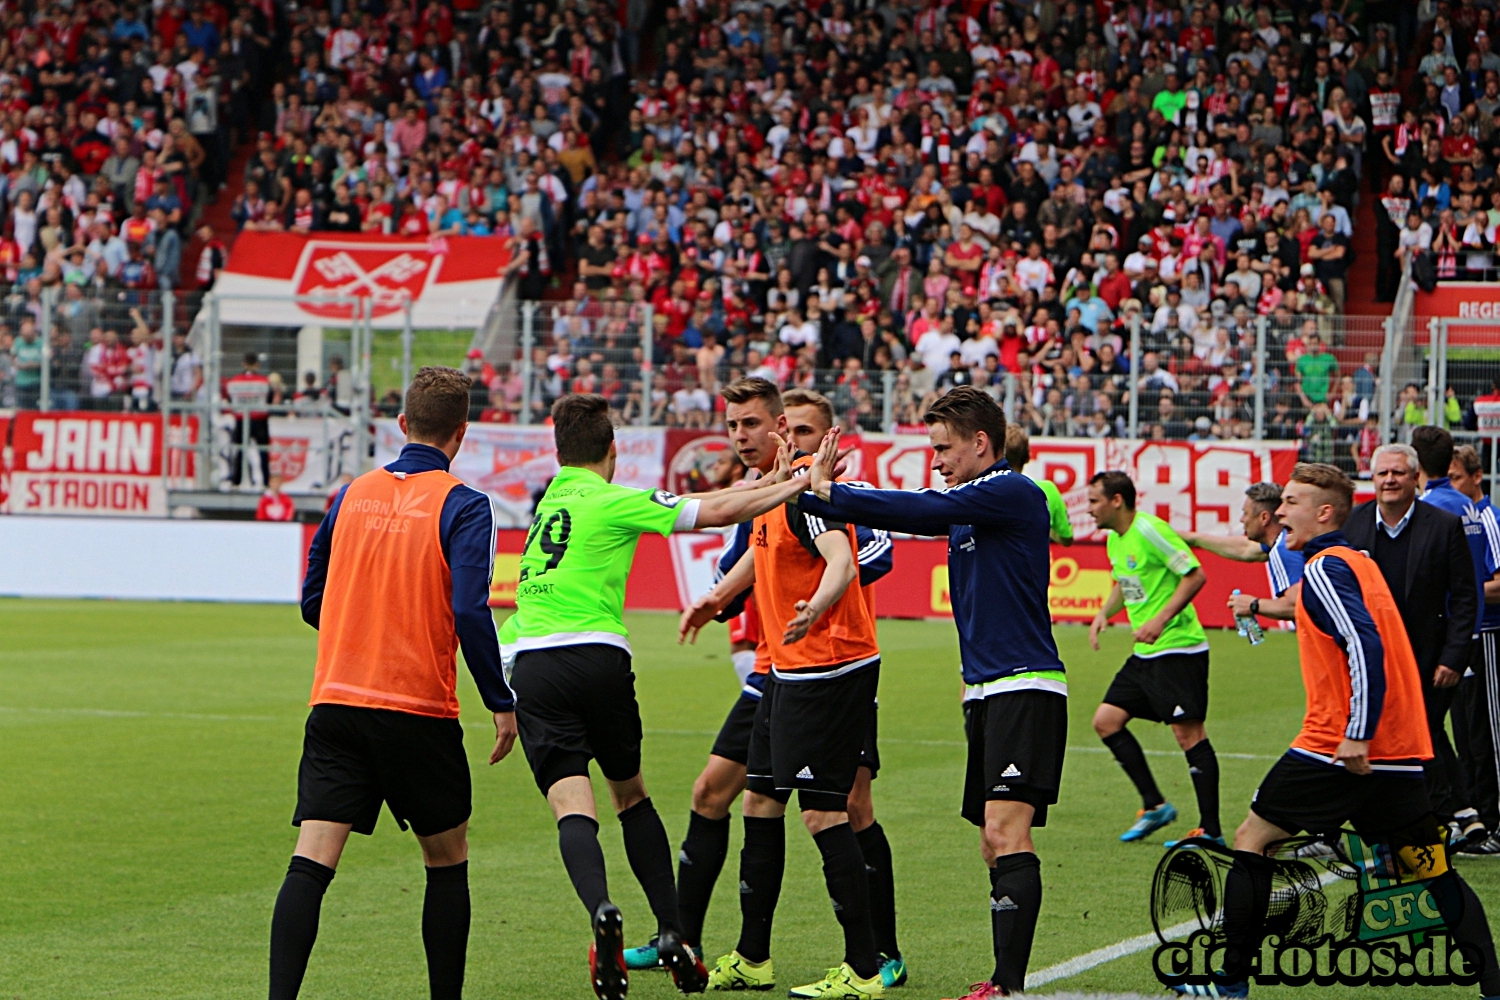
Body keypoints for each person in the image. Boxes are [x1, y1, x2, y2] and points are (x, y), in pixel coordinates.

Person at [509, 393, 823, 1000]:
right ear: (612, 451)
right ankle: (675, 930)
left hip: (534, 665)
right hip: (598, 656)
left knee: (572, 805)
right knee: (631, 796)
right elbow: (711, 509)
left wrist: (502, 695)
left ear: (559, 452)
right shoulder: (614, 498)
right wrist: (789, 485)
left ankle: (601, 907)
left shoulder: (549, 503)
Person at [1171, 463, 1500, 1000]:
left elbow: (1364, 646)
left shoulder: (1326, 566)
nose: (1279, 512)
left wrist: (1356, 732)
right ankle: (1493, 984)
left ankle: (1228, 982)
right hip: (1396, 751)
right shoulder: (1359, 562)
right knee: (1431, 870)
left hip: (1339, 744)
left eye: (1291, 502)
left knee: (1252, 840)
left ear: (1324, 513)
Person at [625, 382, 905, 992]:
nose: (739, 435)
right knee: (755, 801)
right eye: (732, 425)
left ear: (779, 425)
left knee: (832, 812)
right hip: (782, 668)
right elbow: (761, 548)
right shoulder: (772, 492)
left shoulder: (811, 489)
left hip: (827, 666)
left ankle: (869, 964)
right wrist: (717, 598)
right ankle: (752, 958)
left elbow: (844, 560)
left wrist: (814, 609)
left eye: (751, 424)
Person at [799, 386, 1066, 1000]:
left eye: (945, 448)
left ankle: (1007, 986)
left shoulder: (1011, 490)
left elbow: (918, 509)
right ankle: (1004, 980)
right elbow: (920, 512)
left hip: (1024, 687)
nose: (937, 460)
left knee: (1005, 833)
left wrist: (832, 492)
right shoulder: (976, 507)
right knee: (990, 842)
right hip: (988, 693)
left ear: (981, 443)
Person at [272, 366, 519, 1000]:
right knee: (446, 859)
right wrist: (500, 700)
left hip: (336, 701)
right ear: (461, 433)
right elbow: (470, 609)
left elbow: (311, 594)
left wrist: (357, 623)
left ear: (403, 424)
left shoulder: (353, 493)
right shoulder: (465, 504)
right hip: (416, 709)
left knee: (311, 860)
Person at [1340, 443, 1483, 844]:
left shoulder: (1443, 525)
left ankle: (1447, 816)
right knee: (1392, 739)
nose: (1390, 480)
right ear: (1372, 477)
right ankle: (1454, 815)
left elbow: (1465, 597)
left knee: (1423, 734)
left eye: (1398, 473)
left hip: (1428, 659)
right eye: (1383, 473)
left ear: (1415, 478)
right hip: (1372, 661)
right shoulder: (1354, 525)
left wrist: (1454, 656)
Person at [1085, 471, 1221, 848]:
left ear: (1117, 500)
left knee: (1188, 734)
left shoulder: (1148, 530)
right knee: (1106, 722)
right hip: (1146, 654)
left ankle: (1211, 830)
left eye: (1094, 500)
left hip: (1178, 648)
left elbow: (1195, 575)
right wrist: (1103, 614)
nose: (1089, 508)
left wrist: (1160, 620)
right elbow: (1123, 582)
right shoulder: (1116, 539)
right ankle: (1154, 805)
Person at [1412, 426, 1498, 844]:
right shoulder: (1468, 506)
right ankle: (1467, 812)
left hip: (1453, 635)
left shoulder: (1430, 509)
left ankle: (1458, 812)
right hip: (1468, 632)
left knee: (1432, 727)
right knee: (1454, 730)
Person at [1447, 445, 1500, 855]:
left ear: (1476, 477)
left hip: (1489, 636)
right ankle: (1476, 819)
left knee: (1491, 735)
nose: (1451, 487)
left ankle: (1497, 821)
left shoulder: (1489, 518)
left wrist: (1459, 594)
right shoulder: (1452, 520)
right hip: (1461, 637)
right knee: (1465, 735)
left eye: (1456, 478)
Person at [1183, 482, 1305, 622]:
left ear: (1264, 518)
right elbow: (1244, 549)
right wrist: (1193, 538)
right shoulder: (1287, 539)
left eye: (1246, 513)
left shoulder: (1283, 549)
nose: (1242, 520)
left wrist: (1252, 605)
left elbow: (1295, 606)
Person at [1005, 426, 1072, 546]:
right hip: (1035, 563)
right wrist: (1046, 530)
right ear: (1028, 458)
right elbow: (1067, 537)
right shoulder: (1048, 490)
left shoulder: (982, 491)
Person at [225, 351, 272, 488]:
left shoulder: (233, 381)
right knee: (263, 451)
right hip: (260, 419)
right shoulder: (264, 381)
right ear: (257, 364)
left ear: (243, 363)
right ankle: (266, 482)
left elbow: (229, 399)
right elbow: (269, 399)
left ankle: (236, 481)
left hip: (240, 419)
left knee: (240, 451)